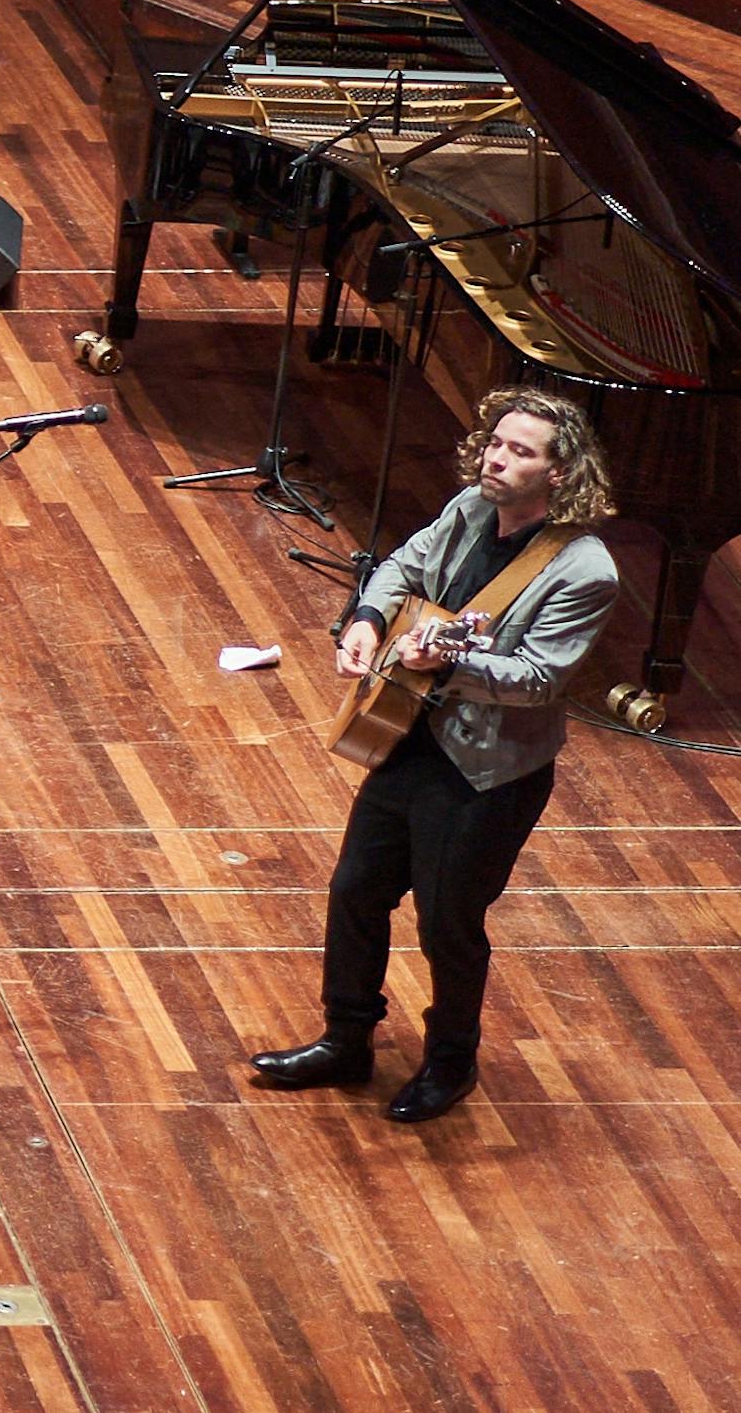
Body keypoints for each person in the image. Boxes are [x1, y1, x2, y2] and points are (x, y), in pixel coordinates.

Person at [252, 387, 622, 1125]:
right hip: (410, 738)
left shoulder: (585, 572)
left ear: (560, 473)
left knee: (447, 925)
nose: (497, 457)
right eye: (496, 443)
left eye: (521, 451)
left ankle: (450, 1061)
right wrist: (366, 618)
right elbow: (401, 568)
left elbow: (541, 681)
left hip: (489, 776)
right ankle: (346, 1039)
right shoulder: (468, 510)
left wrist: (447, 667)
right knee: (356, 890)